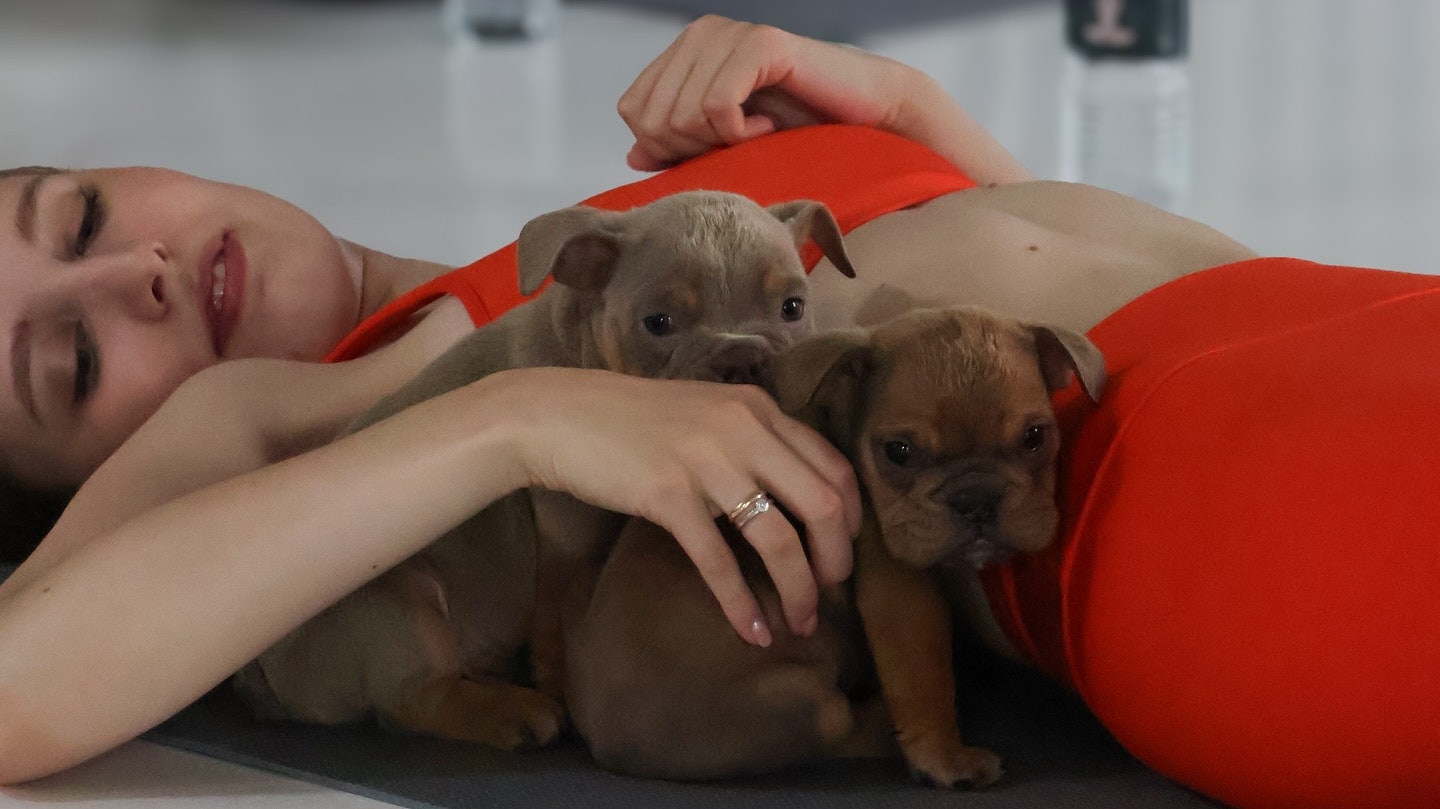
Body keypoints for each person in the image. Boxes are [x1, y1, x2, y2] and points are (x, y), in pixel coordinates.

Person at [0, 14, 1433, 809]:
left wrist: (913, 124)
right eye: (63, 363)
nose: (136, 273)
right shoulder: (313, 397)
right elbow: (19, 684)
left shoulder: (643, 231)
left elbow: (1019, 317)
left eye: (79, 214)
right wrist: (520, 422)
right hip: (1190, 502)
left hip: (1328, 309)